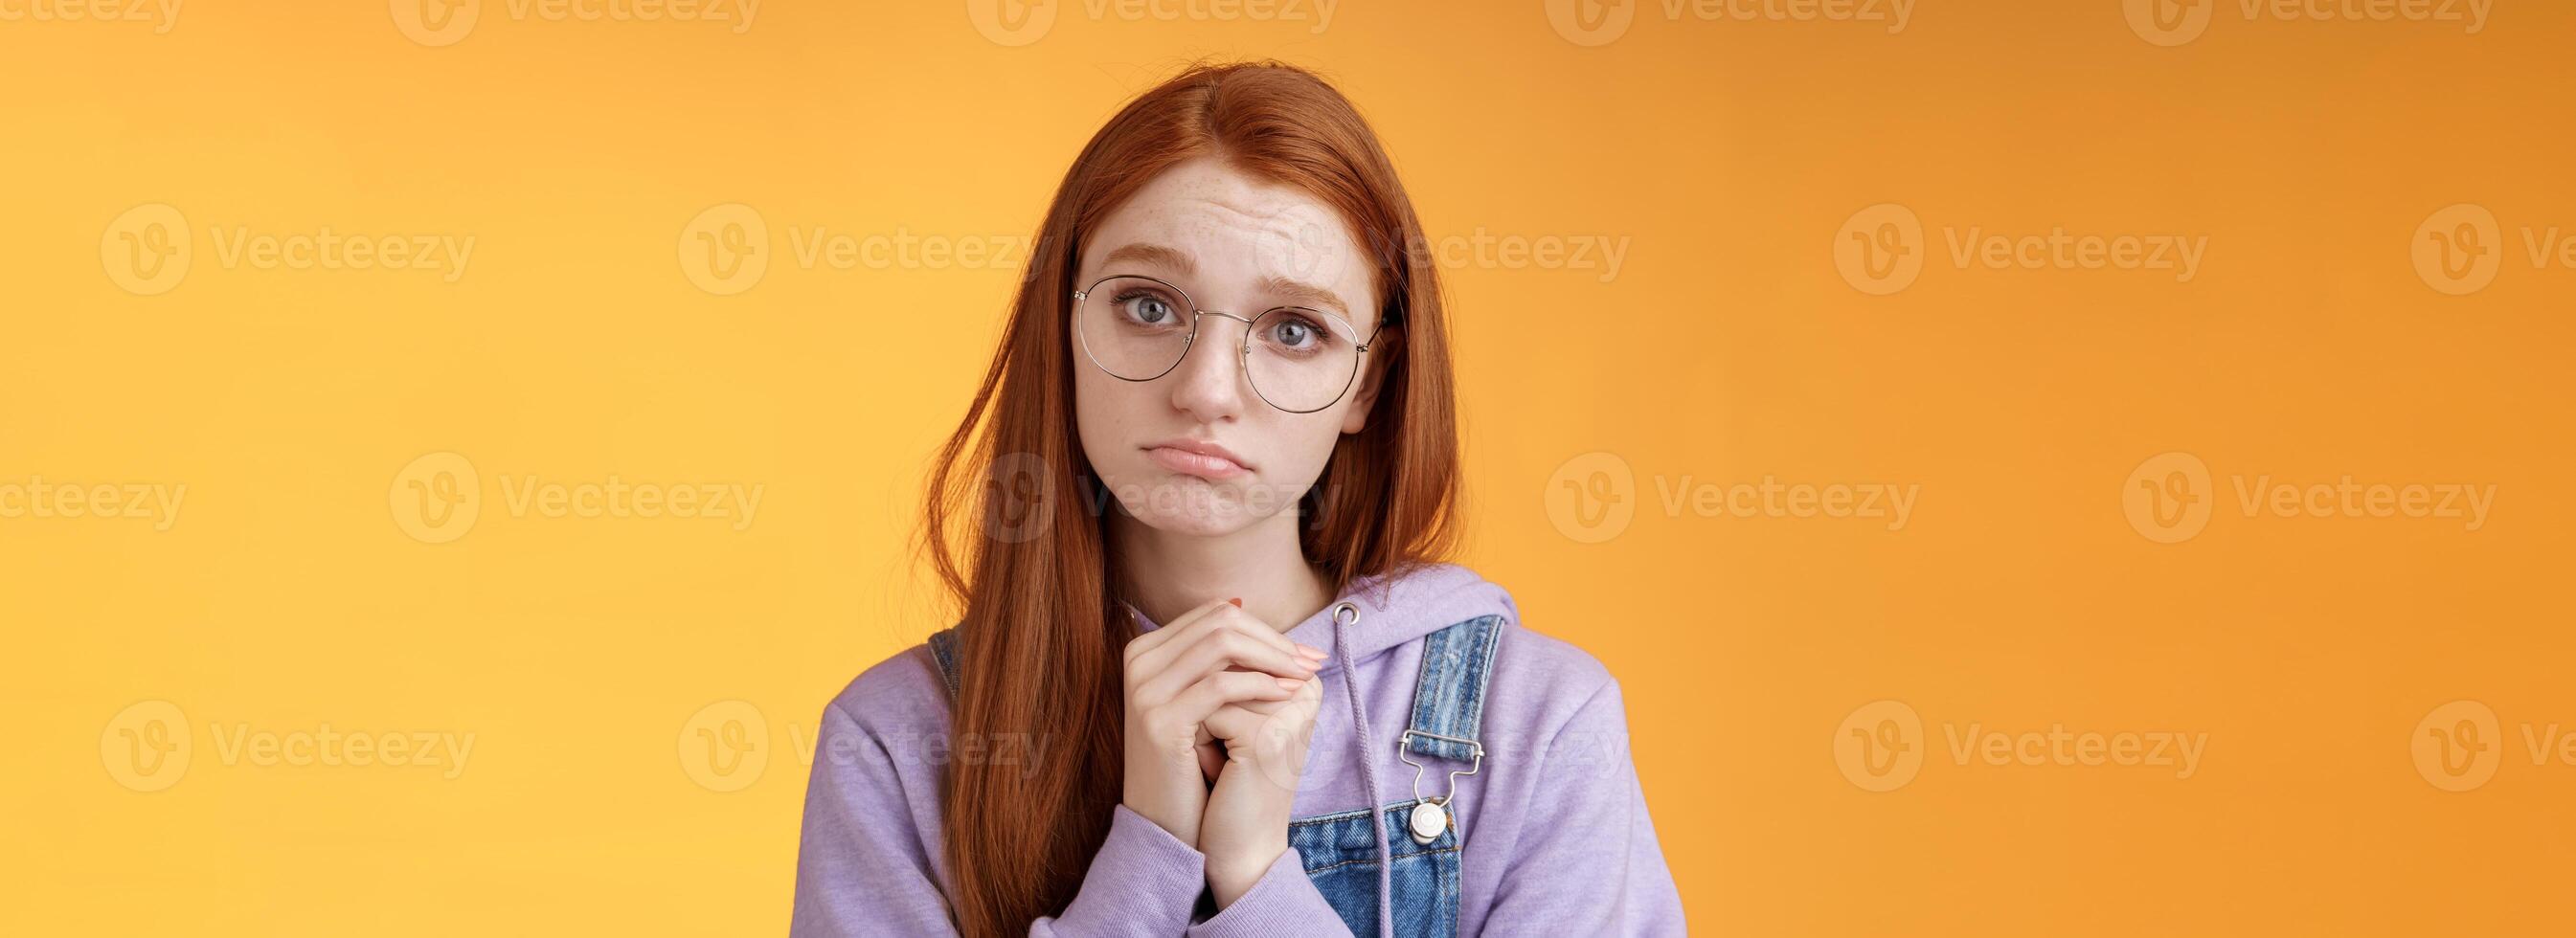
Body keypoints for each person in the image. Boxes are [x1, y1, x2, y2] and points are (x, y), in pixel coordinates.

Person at [790, 60, 1683, 937]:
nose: (1207, 389)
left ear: (1370, 384)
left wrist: (1257, 877)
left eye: (1294, 330)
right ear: (1062, 325)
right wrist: (1148, 854)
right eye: (1147, 306)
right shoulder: (895, 744)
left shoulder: (1540, 727)